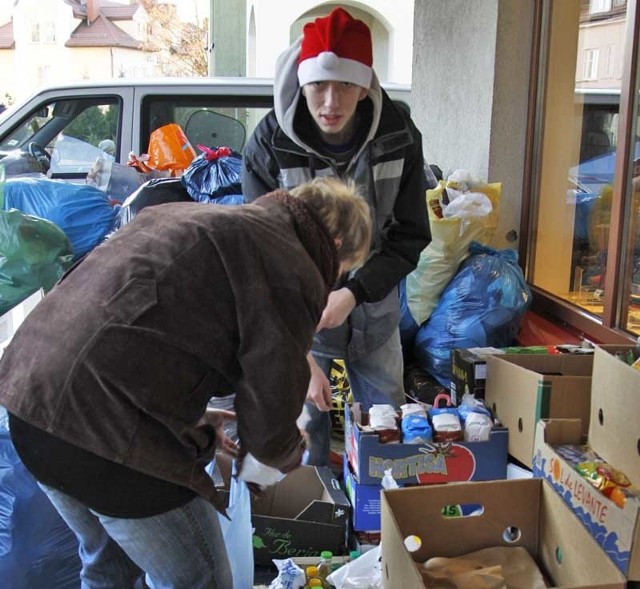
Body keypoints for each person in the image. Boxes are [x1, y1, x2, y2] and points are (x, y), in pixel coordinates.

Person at [0, 176, 372, 589]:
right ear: (335, 245)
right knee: (201, 580)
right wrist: (278, 462)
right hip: (106, 435)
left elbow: (139, 327)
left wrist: (187, 413)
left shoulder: (182, 215)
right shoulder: (290, 264)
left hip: (28, 402)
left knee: (109, 570)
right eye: (340, 272)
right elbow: (269, 417)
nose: (332, 282)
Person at [242, 6, 431, 466]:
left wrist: (354, 292)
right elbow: (258, 253)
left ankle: (381, 520)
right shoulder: (268, 144)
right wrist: (297, 351)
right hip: (299, 314)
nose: (330, 102)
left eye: (346, 84)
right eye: (318, 85)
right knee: (306, 429)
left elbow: (410, 235)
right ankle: (318, 519)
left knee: (386, 425)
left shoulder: (398, 135)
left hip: (375, 308)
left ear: (365, 84)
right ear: (302, 81)